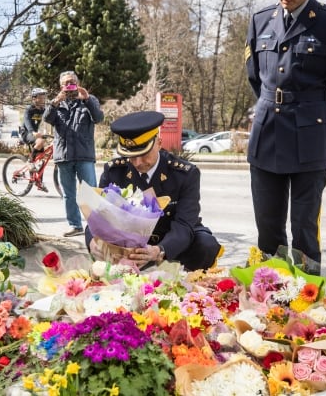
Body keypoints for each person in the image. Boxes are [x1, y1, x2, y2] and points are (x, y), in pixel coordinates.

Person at [244, 0, 326, 274]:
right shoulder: (261, 20)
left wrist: (315, 117)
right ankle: (269, 300)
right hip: (266, 136)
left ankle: (306, 300)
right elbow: (256, 78)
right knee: (268, 229)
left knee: (304, 229)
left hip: (310, 139)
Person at [84, 111, 223, 271]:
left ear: (159, 142)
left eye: (143, 155)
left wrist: (160, 250)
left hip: (169, 240)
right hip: (127, 246)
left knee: (206, 245)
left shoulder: (184, 174)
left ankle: (189, 282)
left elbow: (184, 224)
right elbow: (96, 217)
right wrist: (92, 241)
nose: (137, 163)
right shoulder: (114, 171)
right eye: (131, 156)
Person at [43, 71, 104, 237]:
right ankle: (75, 225)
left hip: (84, 155)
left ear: (77, 83)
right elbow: (47, 119)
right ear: (61, 86)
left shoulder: (89, 100)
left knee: (90, 192)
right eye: (66, 83)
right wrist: (56, 101)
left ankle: (96, 227)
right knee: (69, 194)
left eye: (72, 82)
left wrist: (87, 99)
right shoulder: (56, 104)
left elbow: (98, 118)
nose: (69, 86)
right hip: (64, 156)